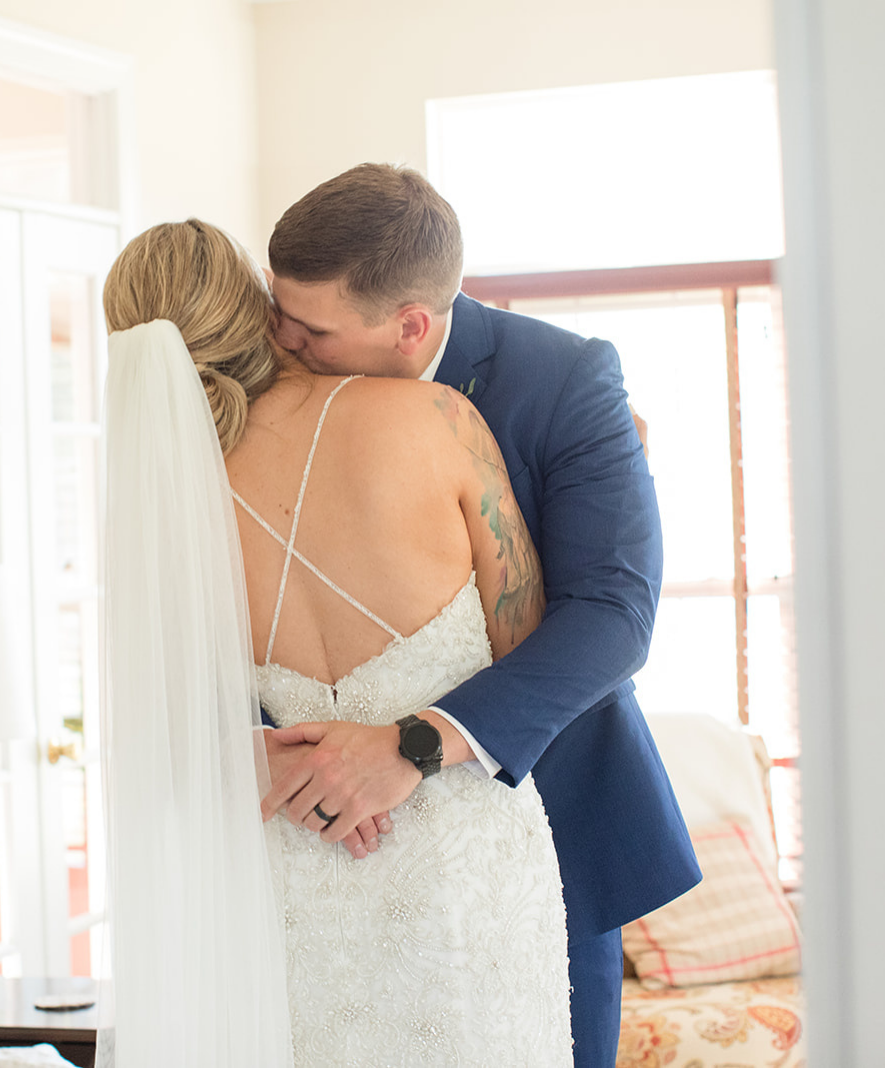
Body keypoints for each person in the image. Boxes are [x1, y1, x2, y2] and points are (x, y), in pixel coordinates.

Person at [99, 218, 574, 1067]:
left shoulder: (169, 503)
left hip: (289, 872)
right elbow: (524, 643)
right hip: (462, 866)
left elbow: (160, 712)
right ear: (256, 307)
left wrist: (249, 751)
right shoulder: (436, 419)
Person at [258, 163, 703, 1068]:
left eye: (311, 327)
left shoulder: (565, 379)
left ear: (410, 326)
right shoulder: (264, 383)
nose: (282, 342)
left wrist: (415, 743)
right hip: (325, 861)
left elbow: (616, 614)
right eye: (279, 310)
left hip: (541, 843)